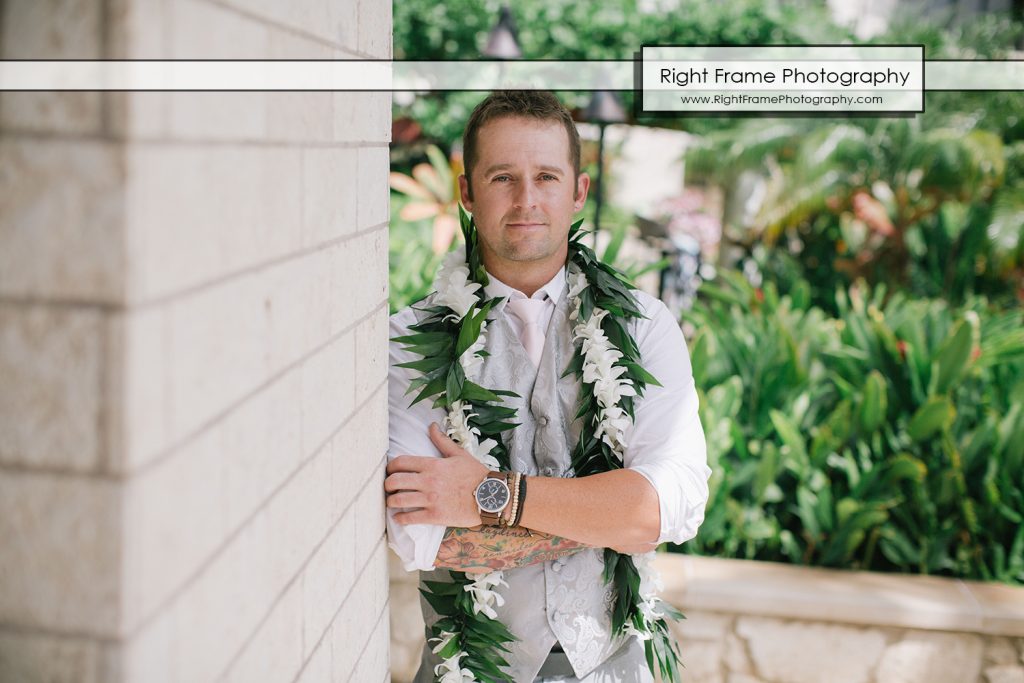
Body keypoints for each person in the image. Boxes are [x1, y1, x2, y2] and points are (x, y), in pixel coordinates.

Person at [385, 90, 710, 683]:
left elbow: (670, 506)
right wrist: (603, 513)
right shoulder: (407, 343)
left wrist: (492, 497)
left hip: (615, 668)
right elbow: (425, 537)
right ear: (467, 192)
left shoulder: (646, 326)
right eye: (503, 177)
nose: (526, 200)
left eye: (547, 177)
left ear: (578, 191)